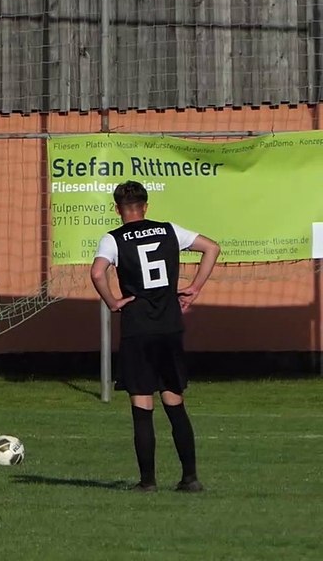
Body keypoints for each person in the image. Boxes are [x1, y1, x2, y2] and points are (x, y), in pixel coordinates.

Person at [90, 180, 220, 493]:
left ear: (118, 209)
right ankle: (190, 478)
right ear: (145, 206)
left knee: (142, 404)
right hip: (169, 324)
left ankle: (147, 481)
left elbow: (97, 273)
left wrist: (112, 302)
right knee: (174, 401)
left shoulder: (113, 238)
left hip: (137, 327)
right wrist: (195, 289)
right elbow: (212, 248)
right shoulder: (169, 230)